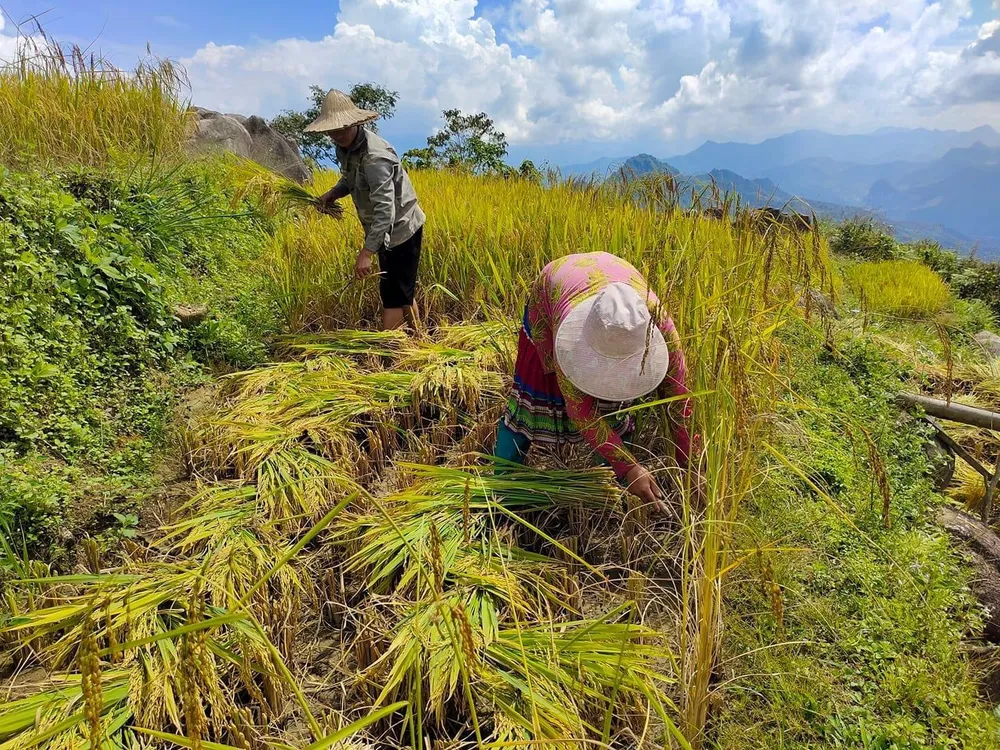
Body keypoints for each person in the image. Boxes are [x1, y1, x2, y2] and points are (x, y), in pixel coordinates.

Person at [494, 252, 694, 512]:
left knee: (614, 410)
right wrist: (630, 466)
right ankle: (499, 484)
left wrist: (689, 465)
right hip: (553, 293)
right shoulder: (567, 337)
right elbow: (582, 411)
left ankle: (610, 482)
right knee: (532, 399)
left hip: (608, 274)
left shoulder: (661, 329)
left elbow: (680, 403)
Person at [307, 89, 426, 331]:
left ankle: (390, 351)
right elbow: (350, 179)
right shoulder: (346, 149)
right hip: (385, 231)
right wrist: (331, 194)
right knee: (402, 291)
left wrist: (367, 253)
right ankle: (418, 339)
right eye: (332, 131)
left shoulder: (375, 158)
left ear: (354, 123)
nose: (337, 135)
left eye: (341, 129)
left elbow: (386, 210)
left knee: (393, 295)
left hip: (402, 229)